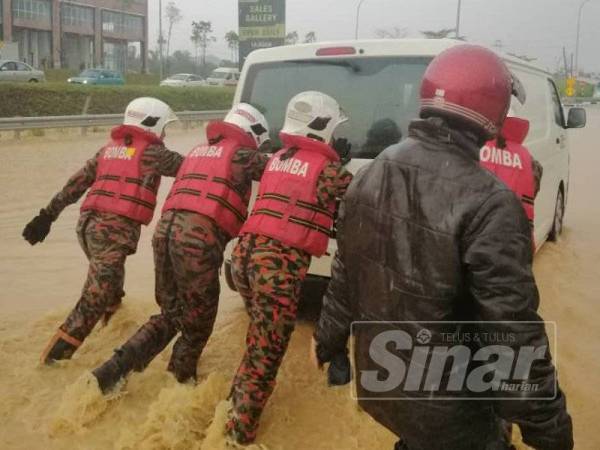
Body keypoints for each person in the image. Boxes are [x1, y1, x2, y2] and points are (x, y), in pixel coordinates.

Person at [312, 45, 573, 450]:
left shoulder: (372, 171)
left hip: (382, 385)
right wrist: (549, 428)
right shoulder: (491, 202)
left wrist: (328, 341)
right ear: (494, 114)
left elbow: (345, 273)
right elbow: (512, 331)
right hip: (452, 408)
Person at [92, 104, 272, 392]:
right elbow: (281, 170)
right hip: (197, 241)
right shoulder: (242, 155)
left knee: (170, 314)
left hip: (163, 235)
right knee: (198, 324)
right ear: (252, 132)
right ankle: (178, 388)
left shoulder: (198, 151)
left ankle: (112, 371)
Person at [226, 91, 354, 445]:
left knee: (256, 345)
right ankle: (237, 437)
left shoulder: (278, 157)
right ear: (324, 127)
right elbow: (366, 193)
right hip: (276, 268)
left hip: (244, 259)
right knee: (266, 358)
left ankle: (230, 410)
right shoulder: (329, 172)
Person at [23, 97, 184, 365]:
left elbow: (74, 185)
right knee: (93, 300)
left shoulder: (108, 149)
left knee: (110, 290)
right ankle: (50, 364)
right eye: (164, 128)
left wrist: (47, 216)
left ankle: (111, 326)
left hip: (87, 230)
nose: (165, 134)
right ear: (152, 123)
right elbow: (192, 168)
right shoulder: (152, 154)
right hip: (111, 235)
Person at [481, 116, 543, 237]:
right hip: (514, 238)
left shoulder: (475, 147)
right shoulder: (527, 158)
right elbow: (532, 191)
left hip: (479, 236)